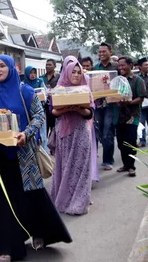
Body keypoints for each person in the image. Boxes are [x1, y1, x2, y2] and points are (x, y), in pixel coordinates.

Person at [0, 55, 71, 262]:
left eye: (2, 66)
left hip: (21, 154)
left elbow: (39, 115)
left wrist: (27, 133)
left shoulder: (25, 91)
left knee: (29, 196)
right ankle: (6, 246)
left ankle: (42, 231)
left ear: (11, 68)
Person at [48, 57, 94, 215]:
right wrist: (67, 108)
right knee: (67, 166)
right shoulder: (59, 89)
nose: (76, 75)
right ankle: (65, 197)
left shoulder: (85, 88)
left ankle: (79, 201)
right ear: (67, 72)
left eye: (78, 72)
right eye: (73, 72)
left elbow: (90, 113)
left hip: (81, 131)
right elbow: (53, 112)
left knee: (81, 167)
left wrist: (79, 109)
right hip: (65, 133)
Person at [116, 56, 146, 177]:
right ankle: (125, 165)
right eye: (119, 65)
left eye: (123, 65)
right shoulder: (117, 80)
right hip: (119, 115)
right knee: (120, 142)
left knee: (131, 141)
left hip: (132, 115)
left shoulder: (138, 80)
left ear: (130, 65)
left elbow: (141, 97)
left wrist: (129, 102)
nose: (121, 68)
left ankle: (131, 166)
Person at [93, 42, 119, 171]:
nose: (101, 54)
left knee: (108, 132)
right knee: (99, 131)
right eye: (100, 52)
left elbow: (121, 83)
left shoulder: (116, 67)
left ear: (110, 52)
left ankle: (108, 160)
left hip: (111, 104)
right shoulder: (95, 68)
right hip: (98, 105)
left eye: (104, 51)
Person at [23, 66, 48, 152]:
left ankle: (44, 151)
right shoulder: (24, 84)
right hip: (28, 112)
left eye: (34, 73)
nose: (33, 75)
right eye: (31, 73)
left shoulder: (39, 81)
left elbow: (44, 93)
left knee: (42, 132)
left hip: (40, 110)